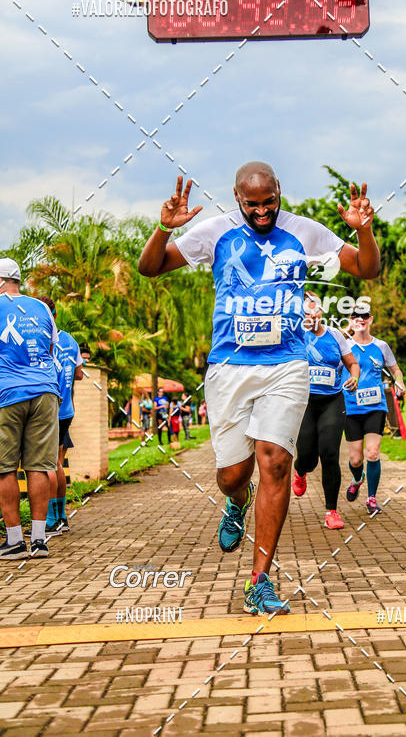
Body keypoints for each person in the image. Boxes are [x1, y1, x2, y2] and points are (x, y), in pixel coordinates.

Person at [137, 166, 380, 615]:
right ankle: (236, 501)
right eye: (253, 204)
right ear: (237, 197)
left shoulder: (304, 231)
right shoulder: (215, 232)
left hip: (286, 364)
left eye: (270, 201)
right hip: (229, 368)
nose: (263, 211)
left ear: (279, 192)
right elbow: (150, 268)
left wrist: (364, 231)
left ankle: (260, 580)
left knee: (276, 463)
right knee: (234, 474)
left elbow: (367, 268)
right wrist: (162, 228)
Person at [0, 259, 61, 560]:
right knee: (39, 466)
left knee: (4, 467)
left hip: (7, 393)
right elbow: (50, 350)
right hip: (46, 392)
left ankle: (13, 541)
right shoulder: (43, 309)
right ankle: (39, 540)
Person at [292, 291, 360, 529]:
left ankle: (332, 511)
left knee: (330, 453)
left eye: (315, 310)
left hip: (332, 400)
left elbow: (352, 362)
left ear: (321, 311)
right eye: (307, 311)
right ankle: (300, 470)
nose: (312, 315)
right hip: (305, 403)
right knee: (308, 456)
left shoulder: (335, 335)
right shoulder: (296, 335)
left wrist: (354, 377)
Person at [343, 307, 405, 514]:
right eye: (355, 317)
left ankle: (371, 498)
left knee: (372, 453)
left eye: (364, 316)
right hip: (351, 407)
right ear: (351, 321)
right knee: (355, 459)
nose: (360, 320)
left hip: (375, 406)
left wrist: (400, 382)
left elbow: (396, 370)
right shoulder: (345, 345)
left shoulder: (381, 346)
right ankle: (357, 478)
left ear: (370, 319)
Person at [38, 296, 83, 534]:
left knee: (48, 465)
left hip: (48, 409)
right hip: (67, 410)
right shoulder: (70, 340)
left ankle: (50, 520)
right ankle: (62, 516)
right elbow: (79, 374)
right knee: (58, 463)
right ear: (56, 314)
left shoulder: (40, 338)